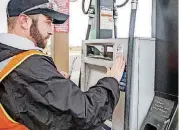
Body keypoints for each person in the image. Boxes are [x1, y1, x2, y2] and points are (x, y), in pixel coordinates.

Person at [0, 0, 125, 130]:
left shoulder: (7, 54)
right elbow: (84, 113)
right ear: (24, 21)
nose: (51, 31)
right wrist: (111, 81)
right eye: (48, 22)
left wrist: (53, 82)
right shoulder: (30, 65)